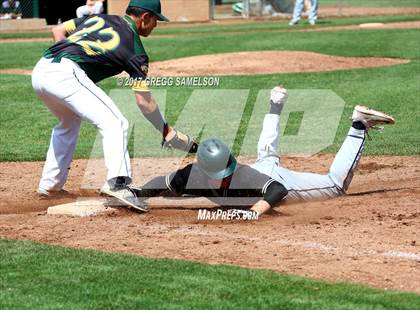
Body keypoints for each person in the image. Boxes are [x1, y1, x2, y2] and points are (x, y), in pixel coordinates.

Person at [32, 0, 197, 210]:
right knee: (115, 122)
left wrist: (65, 52)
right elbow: (144, 101)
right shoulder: (135, 49)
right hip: (66, 74)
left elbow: (59, 29)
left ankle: (50, 186)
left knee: (68, 122)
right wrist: (166, 130)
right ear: (145, 17)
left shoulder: (101, 17)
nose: (156, 24)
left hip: (41, 69)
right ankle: (118, 184)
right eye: (156, 19)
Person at [130, 86, 395, 216]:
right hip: (262, 171)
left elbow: (278, 189)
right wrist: (138, 193)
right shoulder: (191, 175)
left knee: (335, 185)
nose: (225, 176)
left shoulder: (242, 177)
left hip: (275, 180)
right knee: (267, 156)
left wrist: (254, 212)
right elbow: (163, 183)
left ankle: (358, 124)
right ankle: (275, 105)